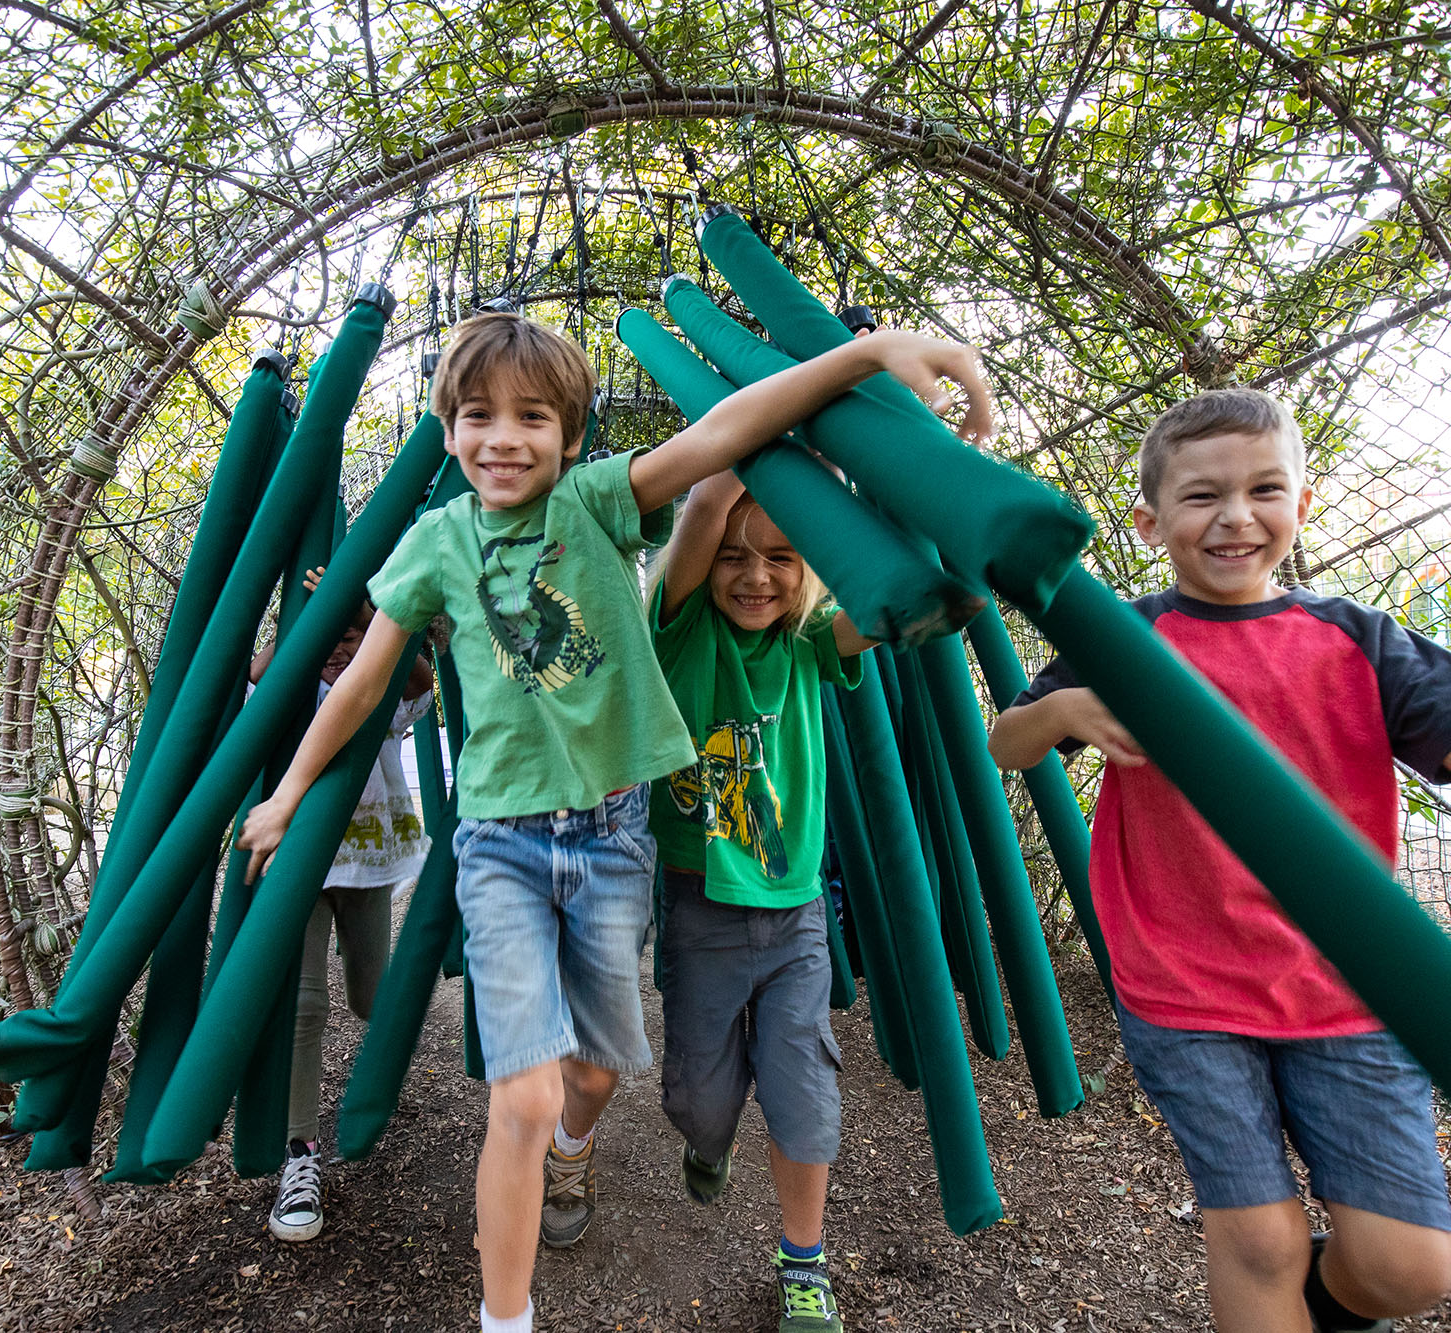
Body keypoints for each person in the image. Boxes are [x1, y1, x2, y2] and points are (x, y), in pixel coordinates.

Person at [237, 310, 990, 1333]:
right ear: (446, 426)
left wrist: (859, 357)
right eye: (476, 415)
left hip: (611, 841)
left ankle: (573, 1157)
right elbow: (364, 683)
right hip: (500, 844)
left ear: (572, 435)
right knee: (526, 1098)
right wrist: (285, 794)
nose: (502, 437)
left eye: (531, 417)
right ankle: (507, 1316)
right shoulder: (436, 543)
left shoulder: (596, 505)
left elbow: (721, 441)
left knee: (592, 1072)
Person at [985, 387, 1451, 1333]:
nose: (1236, 516)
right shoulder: (1125, 639)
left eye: (1264, 490)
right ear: (1150, 519)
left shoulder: (1361, 642)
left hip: (1346, 989)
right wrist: (1061, 711)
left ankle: (1314, 1307)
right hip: (1184, 982)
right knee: (1260, 1241)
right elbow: (1006, 741)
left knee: (1410, 1269)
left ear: (1302, 503)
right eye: (1203, 497)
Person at [647, 475, 897, 1333]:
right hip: (699, 910)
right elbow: (703, 507)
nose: (756, 575)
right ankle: (706, 1145)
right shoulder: (679, 634)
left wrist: (901, 471)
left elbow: (896, 599)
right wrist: (760, 444)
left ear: (810, 569)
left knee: (805, 1092)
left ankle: (803, 1262)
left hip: (794, 917)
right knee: (702, 1104)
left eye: (782, 557)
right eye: (733, 557)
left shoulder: (809, 648)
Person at [258, 568, 437, 1243]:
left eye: (351, 635)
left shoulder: (375, 690)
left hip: (369, 866)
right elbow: (249, 681)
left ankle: (382, 1068)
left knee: (371, 996)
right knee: (305, 1004)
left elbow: (421, 682)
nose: (339, 647)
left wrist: (374, 616)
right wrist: (313, 625)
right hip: (298, 868)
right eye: (327, 639)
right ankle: (299, 1154)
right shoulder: (290, 692)